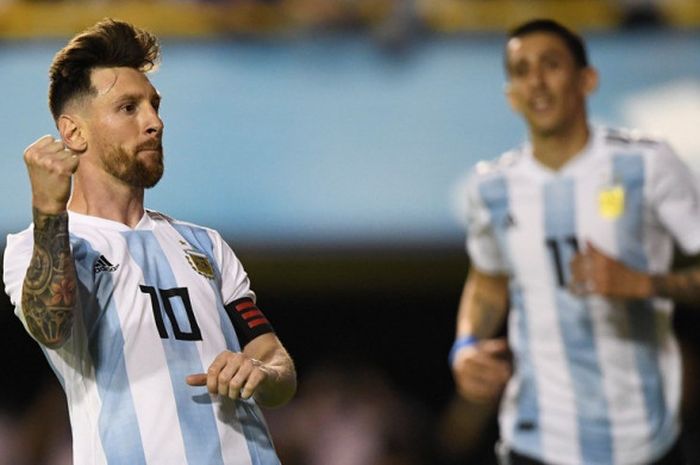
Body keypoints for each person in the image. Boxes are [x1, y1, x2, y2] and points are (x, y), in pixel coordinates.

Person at [2, 18, 296, 465]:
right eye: (128, 108)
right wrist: (48, 213)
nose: (155, 122)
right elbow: (51, 326)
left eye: (154, 105)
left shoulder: (206, 245)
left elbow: (276, 365)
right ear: (73, 132)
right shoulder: (37, 244)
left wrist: (259, 369)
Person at [450, 18, 700, 465]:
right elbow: (488, 281)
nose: (537, 82)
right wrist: (466, 345)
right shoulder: (491, 188)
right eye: (522, 71)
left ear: (587, 79)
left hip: (644, 439)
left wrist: (646, 284)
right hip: (535, 440)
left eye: (551, 64)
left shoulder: (648, 163)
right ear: (511, 96)